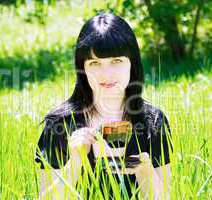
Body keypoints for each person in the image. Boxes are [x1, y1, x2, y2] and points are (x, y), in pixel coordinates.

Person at [35, 12, 173, 199]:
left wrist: (144, 171)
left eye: (116, 61)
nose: (106, 73)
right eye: (94, 63)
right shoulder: (59, 124)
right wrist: (75, 162)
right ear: (82, 68)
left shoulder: (153, 122)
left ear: (132, 64)